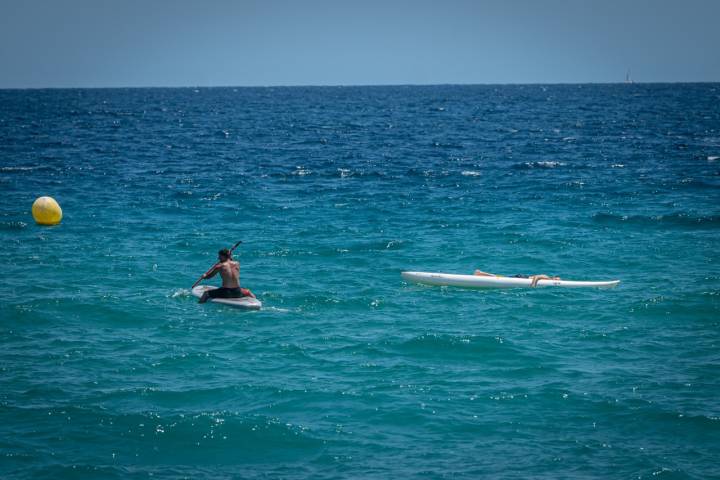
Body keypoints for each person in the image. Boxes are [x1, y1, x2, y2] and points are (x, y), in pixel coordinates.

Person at [474, 269, 559, 287]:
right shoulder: (547, 277)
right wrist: (533, 285)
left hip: (523, 277)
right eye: (557, 279)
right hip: (523, 278)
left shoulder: (548, 279)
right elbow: (537, 277)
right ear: (554, 278)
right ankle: (480, 273)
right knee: (501, 278)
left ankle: (481, 273)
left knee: (502, 277)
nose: (558, 280)